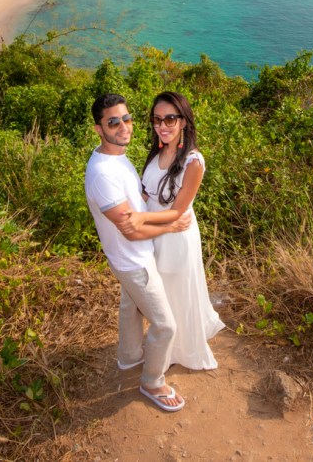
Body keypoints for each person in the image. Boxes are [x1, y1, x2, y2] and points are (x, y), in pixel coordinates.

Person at [84, 93, 191, 412]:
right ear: (98, 128)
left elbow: (134, 208)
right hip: (133, 260)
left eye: (126, 118)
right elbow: (130, 228)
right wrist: (169, 227)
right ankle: (152, 382)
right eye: (113, 122)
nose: (123, 126)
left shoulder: (117, 157)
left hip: (126, 257)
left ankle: (129, 356)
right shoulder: (103, 172)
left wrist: (143, 199)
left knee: (130, 306)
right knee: (165, 325)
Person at [117, 91, 225, 370]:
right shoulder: (158, 150)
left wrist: (139, 221)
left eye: (169, 119)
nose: (162, 126)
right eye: (156, 119)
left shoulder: (193, 162)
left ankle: (176, 351)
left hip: (175, 235)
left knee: (173, 292)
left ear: (184, 122)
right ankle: (160, 344)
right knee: (158, 293)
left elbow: (178, 210)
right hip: (153, 233)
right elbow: (147, 192)